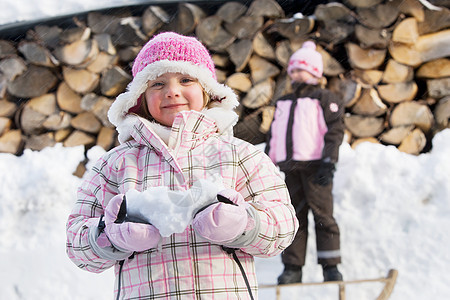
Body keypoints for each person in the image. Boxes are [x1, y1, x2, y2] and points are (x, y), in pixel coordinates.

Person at [66, 31, 298, 299]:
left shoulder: (240, 156)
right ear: (140, 97)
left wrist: (243, 223)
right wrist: (110, 235)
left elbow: (283, 228)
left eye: (186, 79)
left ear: (207, 90)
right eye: (157, 84)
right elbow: (76, 245)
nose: (172, 91)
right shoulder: (115, 164)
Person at [265, 41, 345, 284]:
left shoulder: (325, 98)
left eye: (303, 69)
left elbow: (334, 132)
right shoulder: (284, 101)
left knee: (323, 216)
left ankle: (330, 266)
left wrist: (328, 162)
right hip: (290, 168)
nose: (297, 74)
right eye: (294, 70)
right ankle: (292, 268)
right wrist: (269, 161)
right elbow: (275, 133)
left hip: (316, 168)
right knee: (294, 218)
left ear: (315, 73)